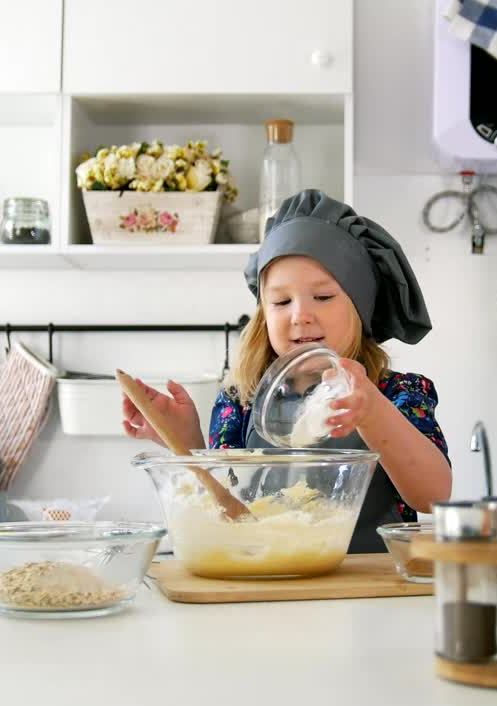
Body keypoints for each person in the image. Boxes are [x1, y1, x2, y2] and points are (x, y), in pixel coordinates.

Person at [122, 189, 452, 553]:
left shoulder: (397, 393)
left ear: (361, 306)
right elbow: (227, 506)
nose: (300, 315)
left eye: (323, 297)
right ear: (264, 314)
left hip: (370, 590)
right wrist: (185, 442)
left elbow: (432, 495)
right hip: (272, 585)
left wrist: (372, 411)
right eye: (281, 301)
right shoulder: (242, 402)